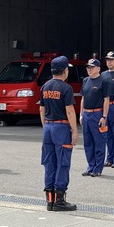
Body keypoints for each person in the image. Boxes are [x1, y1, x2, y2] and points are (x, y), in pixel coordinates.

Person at [39, 56, 79, 211]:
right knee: (63, 163)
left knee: (49, 163)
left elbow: (41, 109)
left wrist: (46, 127)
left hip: (48, 127)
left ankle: (50, 200)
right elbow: (69, 111)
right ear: (65, 70)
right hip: (61, 128)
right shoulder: (66, 88)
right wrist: (75, 131)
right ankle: (59, 200)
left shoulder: (45, 87)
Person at [80, 58, 109, 177]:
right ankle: (90, 166)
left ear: (98, 68)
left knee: (99, 142)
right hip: (86, 113)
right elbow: (83, 98)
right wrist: (81, 114)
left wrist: (104, 116)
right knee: (88, 142)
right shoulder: (86, 80)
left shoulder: (103, 81)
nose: (89, 70)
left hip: (97, 114)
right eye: (88, 67)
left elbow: (106, 100)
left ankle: (98, 168)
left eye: (91, 67)